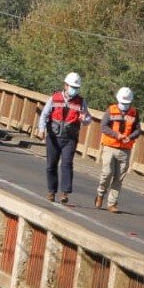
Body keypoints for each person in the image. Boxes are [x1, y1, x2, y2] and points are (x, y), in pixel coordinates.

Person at [37, 72, 91, 203]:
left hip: (70, 139)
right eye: (72, 86)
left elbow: (88, 119)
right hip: (53, 137)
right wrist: (41, 129)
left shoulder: (81, 102)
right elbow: (44, 115)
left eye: (76, 88)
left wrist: (85, 119)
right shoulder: (54, 98)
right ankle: (51, 191)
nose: (74, 89)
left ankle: (64, 193)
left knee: (67, 164)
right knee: (51, 165)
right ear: (65, 85)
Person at [96, 87, 141, 213]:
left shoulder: (134, 113)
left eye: (127, 104)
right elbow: (103, 127)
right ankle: (100, 194)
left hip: (125, 149)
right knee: (107, 173)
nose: (125, 106)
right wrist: (117, 135)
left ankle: (112, 203)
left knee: (119, 177)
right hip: (110, 146)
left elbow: (138, 130)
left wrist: (130, 137)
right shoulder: (111, 110)